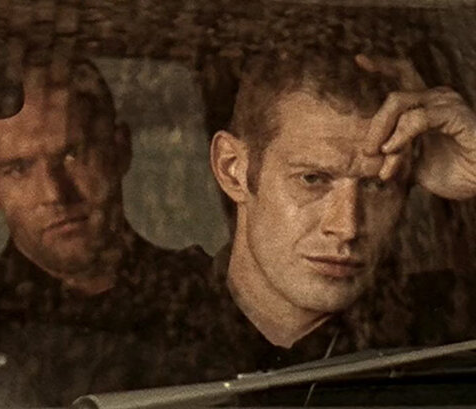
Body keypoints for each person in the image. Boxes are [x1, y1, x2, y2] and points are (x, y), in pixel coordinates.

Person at [0, 57, 214, 402]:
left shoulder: (207, 298)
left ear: (120, 149)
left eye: (72, 155)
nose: (54, 193)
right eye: (18, 169)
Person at [184, 51, 476, 384]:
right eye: (312, 179)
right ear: (233, 169)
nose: (347, 227)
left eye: (377, 185)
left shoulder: (445, 329)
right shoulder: (152, 318)